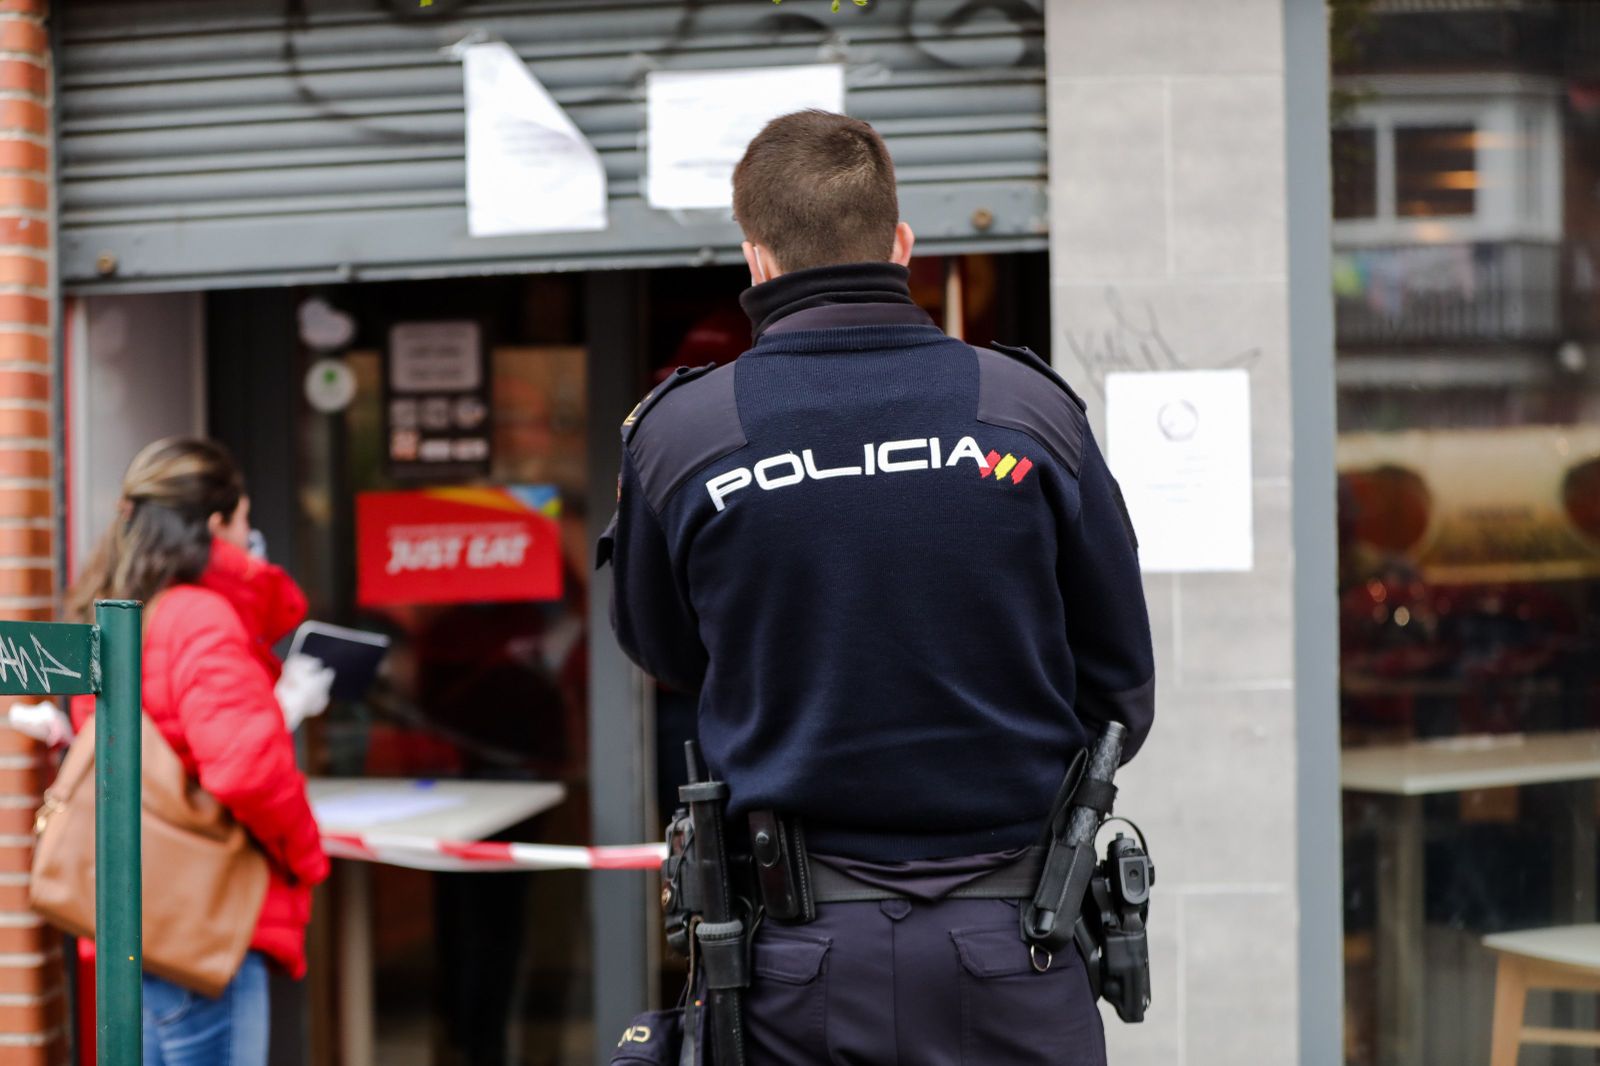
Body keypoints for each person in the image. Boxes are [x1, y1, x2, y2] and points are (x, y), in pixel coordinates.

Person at [600, 110, 1155, 1065]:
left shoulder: (684, 436)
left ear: (757, 259)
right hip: (1015, 941)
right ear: (902, 245)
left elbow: (667, 651)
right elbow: (1119, 689)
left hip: (794, 963)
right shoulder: (1028, 412)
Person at [60, 437, 330, 1066]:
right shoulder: (202, 617)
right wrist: (307, 858)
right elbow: (246, 770)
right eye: (244, 519)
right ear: (216, 525)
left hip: (140, 919)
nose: (250, 533)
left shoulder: (120, 612)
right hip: (203, 927)